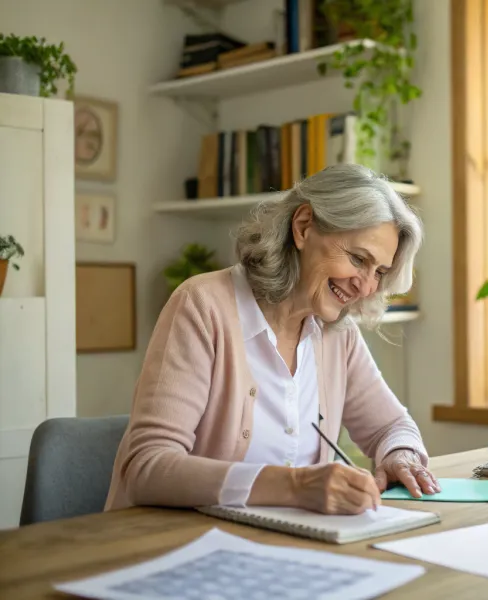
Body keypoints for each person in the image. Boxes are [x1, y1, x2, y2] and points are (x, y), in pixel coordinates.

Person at [105, 164, 439, 515]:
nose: (366, 286)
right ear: (303, 227)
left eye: (380, 272)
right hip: (177, 546)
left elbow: (391, 426)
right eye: (358, 259)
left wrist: (400, 455)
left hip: (282, 547)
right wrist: (295, 486)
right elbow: (147, 467)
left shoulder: (336, 334)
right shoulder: (202, 306)